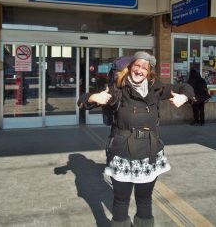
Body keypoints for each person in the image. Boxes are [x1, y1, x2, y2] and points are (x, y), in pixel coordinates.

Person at [78, 51, 195, 227]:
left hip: (149, 153)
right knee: (121, 201)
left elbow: (186, 87)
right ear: (130, 67)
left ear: (149, 72)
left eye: (144, 68)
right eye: (137, 66)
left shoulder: (157, 88)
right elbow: (82, 101)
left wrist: (184, 97)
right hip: (122, 155)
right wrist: (94, 97)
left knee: (145, 200)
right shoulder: (117, 88)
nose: (139, 70)